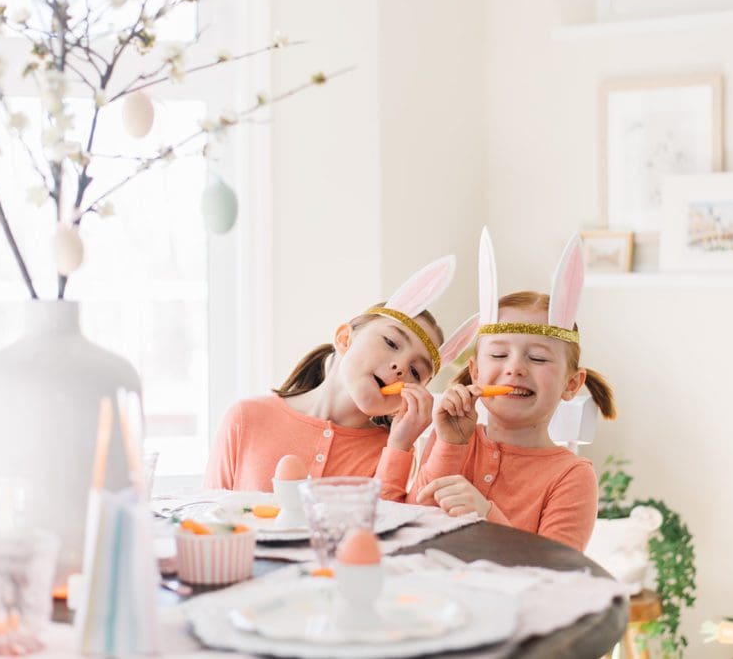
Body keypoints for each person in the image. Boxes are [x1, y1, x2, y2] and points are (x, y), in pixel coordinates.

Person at [203, 256, 478, 500]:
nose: (401, 367)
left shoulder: (394, 450)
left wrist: (399, 445)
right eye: (392, 343)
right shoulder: (246, 418)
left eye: (416, 372)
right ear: (345, 339)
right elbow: (208, 522)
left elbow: (382, 537)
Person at [408, 229, 616, 550]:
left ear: (571, 384)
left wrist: (487, 516)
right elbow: (411, 532)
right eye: (499, 355)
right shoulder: (449, 438)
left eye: (537, 357)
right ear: (475, 373)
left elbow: (557, 572)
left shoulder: (572, 477)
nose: (515, 368)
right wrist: (450, 445)